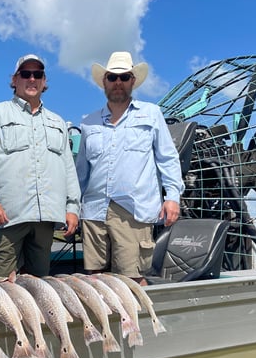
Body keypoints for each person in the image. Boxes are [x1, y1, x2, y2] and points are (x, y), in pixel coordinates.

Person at [76, 51, 185, 285]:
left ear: (132, 81)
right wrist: (73, 206)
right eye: (112, 78)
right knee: (95, 280)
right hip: (94, 211)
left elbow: (167, 158)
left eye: (124, 77)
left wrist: (172, 197)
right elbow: (81, 172)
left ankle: (139, 322)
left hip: (134, 211)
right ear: (104, 81)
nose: (118, 83)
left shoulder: (152, 114)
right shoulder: (88, 122)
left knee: (133, 279)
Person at [0, 54, 80, 279]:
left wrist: (72, 208)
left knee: (39, 284)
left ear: (44, 81)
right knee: (3, 283)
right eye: (25, 74)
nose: (31, 79)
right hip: (7, 216)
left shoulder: (58, 122)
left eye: (37, 74)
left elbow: (68, 168)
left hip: (45, 220)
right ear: (14, 80)